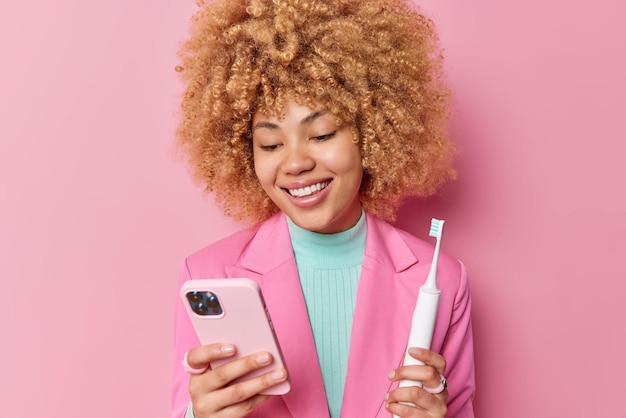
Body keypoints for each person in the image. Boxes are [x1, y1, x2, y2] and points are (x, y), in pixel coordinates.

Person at [171, 0, 475, 417]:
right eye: (272, 144)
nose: (295, 163)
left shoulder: (441, 278)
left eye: (321, 134)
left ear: (372, 133)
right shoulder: (207, 275)